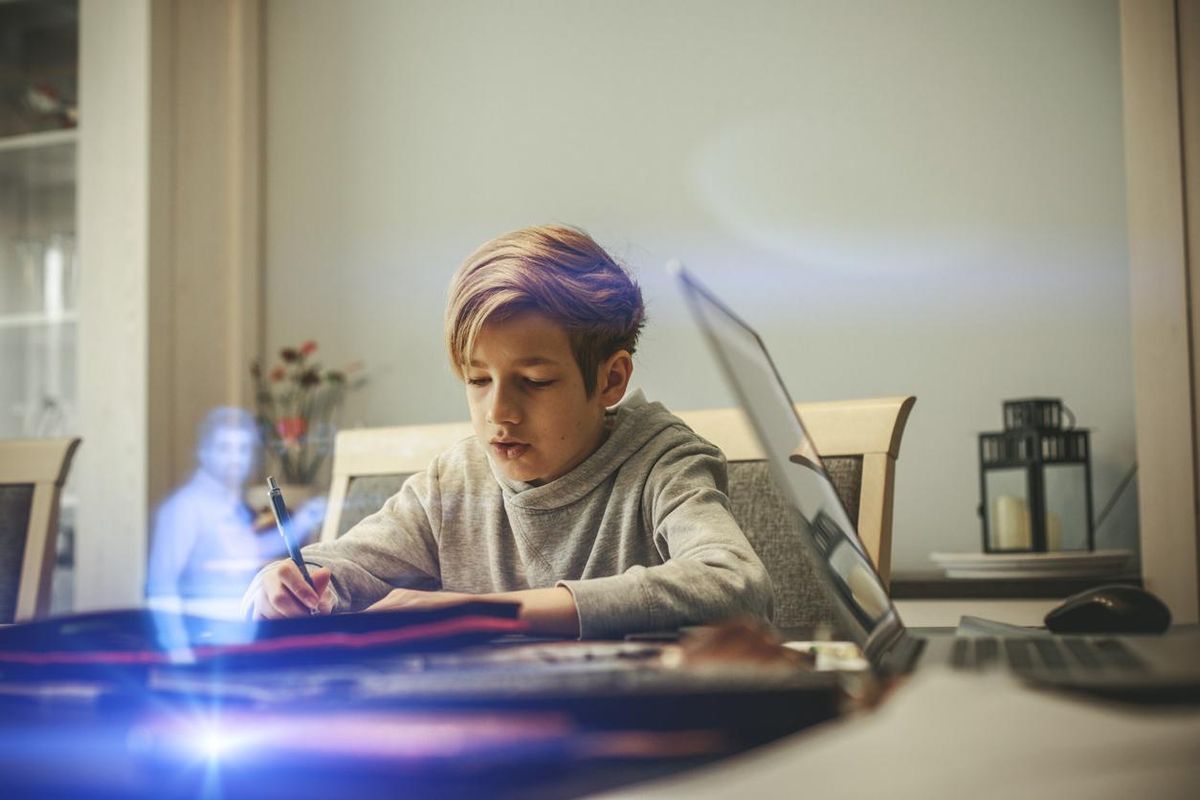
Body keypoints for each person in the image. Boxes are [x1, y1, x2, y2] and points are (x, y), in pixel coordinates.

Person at [242, 225, 772, 637]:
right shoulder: (454, 484)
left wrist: (481, 612)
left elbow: (736, 583)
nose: (499, 413)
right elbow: (342, 568)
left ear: (610, 380)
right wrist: (279, 585)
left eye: (535, 382)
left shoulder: (662, 462)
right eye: (477, 379)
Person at [147, 406, 326, 608]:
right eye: (224, 448)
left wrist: (302, 522)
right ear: (203, 452)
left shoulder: (233, 504)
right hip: (204, 625)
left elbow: (248, 552)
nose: (236, 459)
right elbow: (162, 584)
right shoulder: (184, 508)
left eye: (243, 449)